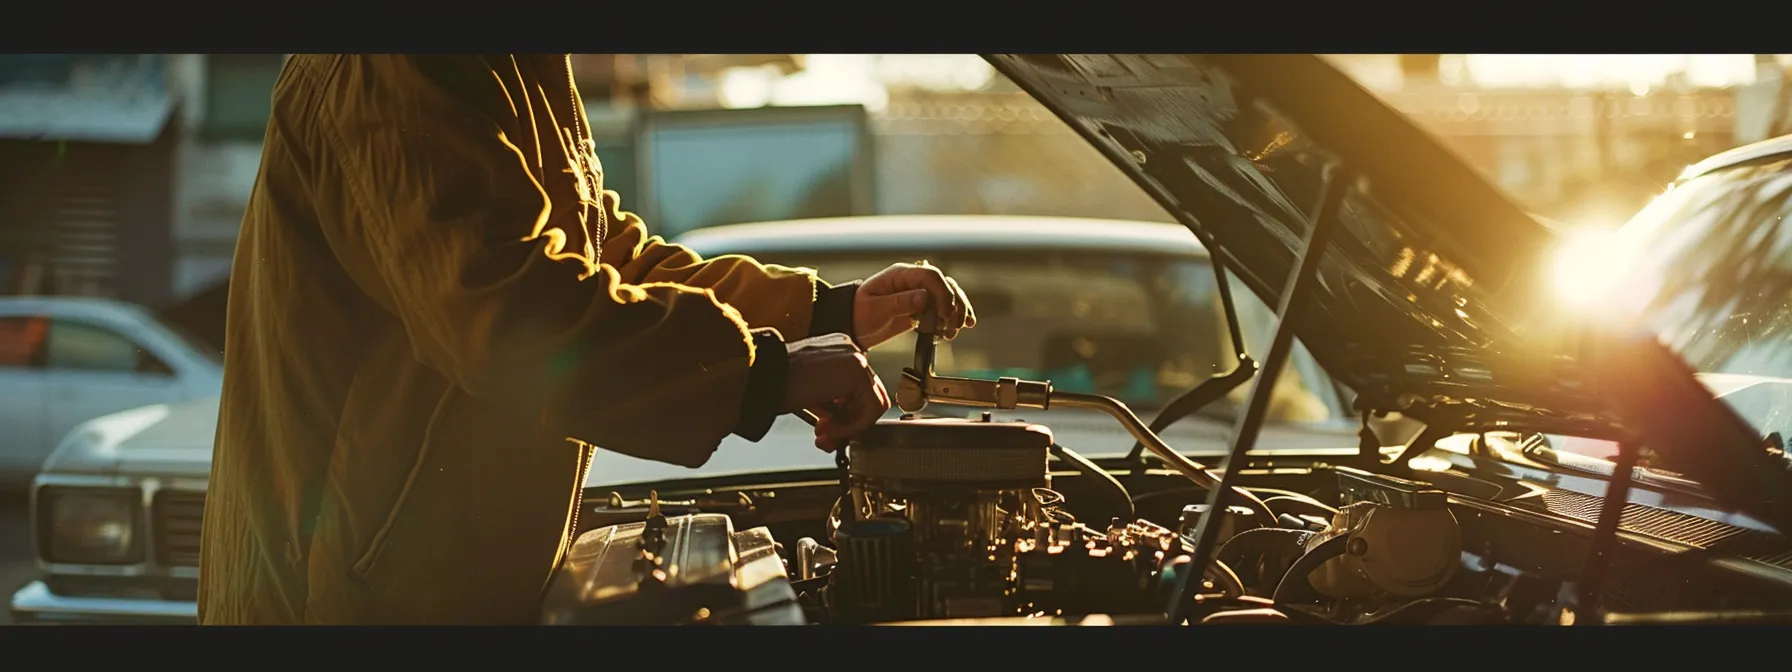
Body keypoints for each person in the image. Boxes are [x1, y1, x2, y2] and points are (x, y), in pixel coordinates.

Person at [197, 54, 975, 625]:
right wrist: (760, 375)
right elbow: (504, 310)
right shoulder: (391, 64)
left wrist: (829, 312)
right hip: (338, 598)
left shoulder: (522, 63)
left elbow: (604, 256)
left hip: (431, 580)